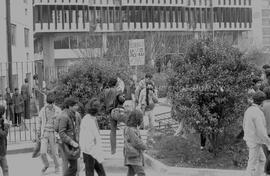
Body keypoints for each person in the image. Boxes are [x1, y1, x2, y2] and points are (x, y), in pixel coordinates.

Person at [243, 91, 270, 176]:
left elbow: (243, 124)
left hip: (250, 139)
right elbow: (261, 131)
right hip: (255, 141)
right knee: (252, 164)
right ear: (262, 101)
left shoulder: (249, 110)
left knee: (262, 160)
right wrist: (268, 141)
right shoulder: (257, 112)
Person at [79, 98, 106, 176]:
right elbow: (87, 139)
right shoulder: (87, 120)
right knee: (91, 173)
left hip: (94, 151)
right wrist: (93, 151)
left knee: (101, 173)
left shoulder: (92, 118)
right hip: (89, 151)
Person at [37, 92, 61, 174]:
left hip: (53, 133)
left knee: (55, 152)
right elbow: (39, 121)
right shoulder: (43, 110)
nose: (50, 105)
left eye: (51, 103)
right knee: (42, 152)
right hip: (45, 132)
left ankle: (57, 166)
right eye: (48, 103)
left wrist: (56, 118)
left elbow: (60, 122)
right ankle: (46, 164)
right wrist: (38, 133)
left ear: (54, 102)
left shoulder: (58, 110)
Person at [58, 98, 80, 176]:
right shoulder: (64, 116)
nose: (77, 107)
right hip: (66, 144)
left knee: (74, 167)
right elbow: (61, 133)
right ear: (70, 106)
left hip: (72, 144)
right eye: (75, 105)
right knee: (73, 167)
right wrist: (71, 142)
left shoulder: (74, 115)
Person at [124, 109, 147, 176]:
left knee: (131, 173)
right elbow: (136, 142)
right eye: (141, 118)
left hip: (132, 155)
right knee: (141, 173)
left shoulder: (130, 128)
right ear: (137, 119)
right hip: (134, 155)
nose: (141, 120)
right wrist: (145, 146)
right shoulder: (130, 129)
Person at [0, 105, 9, 176]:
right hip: (1, 151)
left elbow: (4, 135)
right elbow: (3, 134)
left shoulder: (3, 121)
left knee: (5, 169)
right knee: (5, 168)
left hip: (2, 150)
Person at [263, 87, 270, 174]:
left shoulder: (262, 106)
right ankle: (267, 170)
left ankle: (267, 170)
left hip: (264, 133)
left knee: (267, 154)